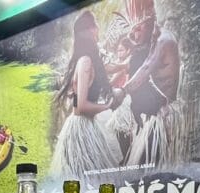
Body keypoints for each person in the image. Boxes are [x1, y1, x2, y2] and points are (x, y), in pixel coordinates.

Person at [50, 10, 124, 182]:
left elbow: (78, 100)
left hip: (86, 126)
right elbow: (80, 107)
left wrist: (124, 66)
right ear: (90, 30)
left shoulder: (86, 60)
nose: (98, 29)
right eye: (95, 25)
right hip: (81, 129)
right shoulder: (85, 62)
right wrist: (107, 106)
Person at [120, 0, 183, 167]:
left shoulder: (164, 40)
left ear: (151, 23)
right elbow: (141, 64)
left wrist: (122, 91)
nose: (135, 35)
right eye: (133, 30)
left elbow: (146, 68)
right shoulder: (153, 40)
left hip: (164, 116)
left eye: (139, 29)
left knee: (152, 171)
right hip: (155, 116)